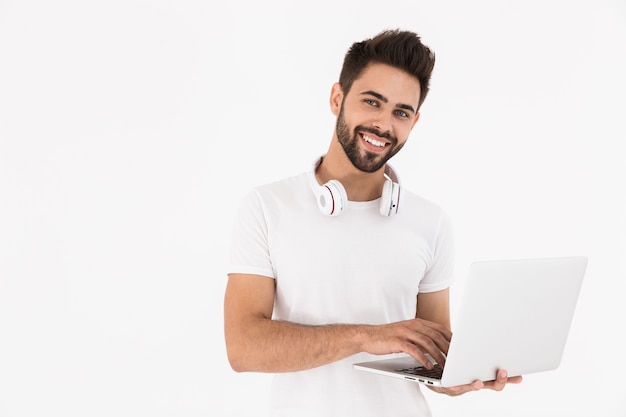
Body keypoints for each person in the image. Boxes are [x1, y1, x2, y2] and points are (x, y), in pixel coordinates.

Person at [223, 28, 522, 416]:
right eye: (371, 102)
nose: (383, 124)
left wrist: (463, 375)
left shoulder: (430, 222)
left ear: (414, 123)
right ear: (337, 98)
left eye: (400, 112)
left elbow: (431, 361)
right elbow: (243, 347)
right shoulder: (267, 206)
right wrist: (367, 336)